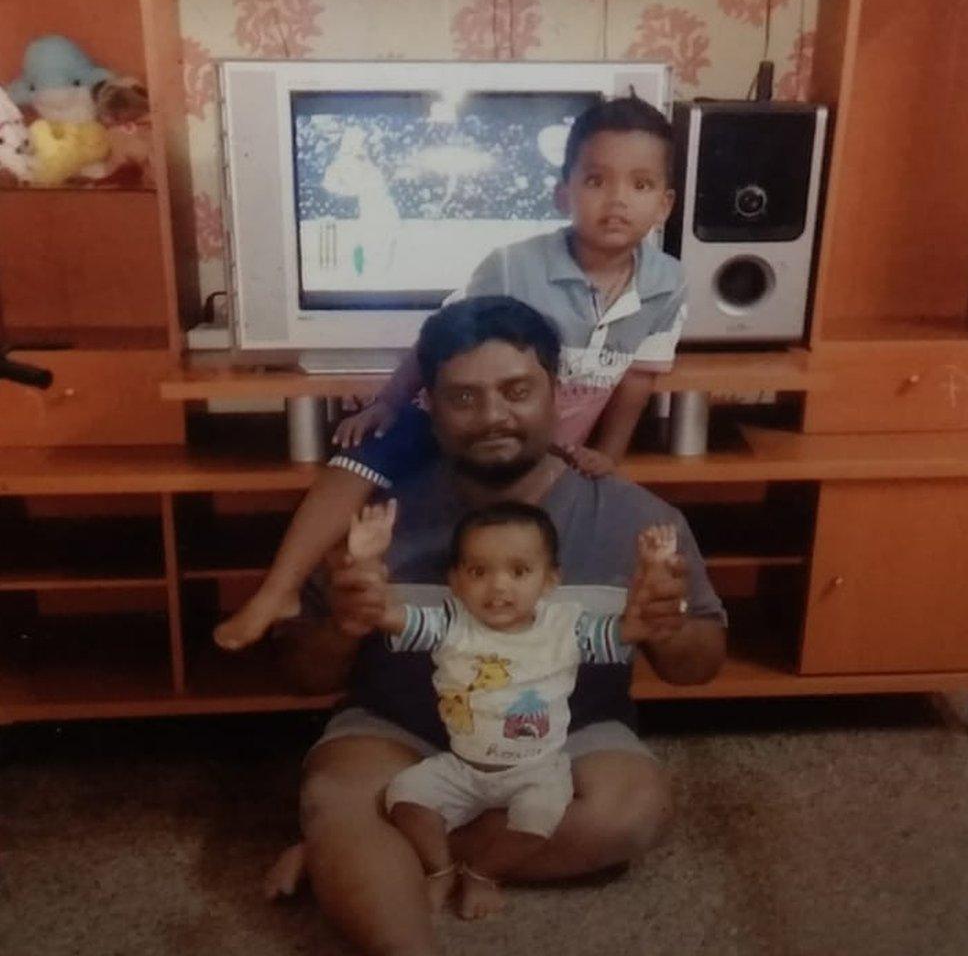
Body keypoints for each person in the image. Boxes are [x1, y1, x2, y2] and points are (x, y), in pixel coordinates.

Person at [267, 296, 726, 956]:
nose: (493, 418)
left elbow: (698, 666)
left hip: (566, 740)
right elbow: (301, 678)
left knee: (629, 813)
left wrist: (665, 627)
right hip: (402, 733)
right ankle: (371, 863)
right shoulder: (373, 521)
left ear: (556, 392)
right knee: (339, 791)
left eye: (517, 391)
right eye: (464, 398)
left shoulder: (636, 520)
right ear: (428, 404)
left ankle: (361, 852)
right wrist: (343, 624)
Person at [214, 93, 685, 652]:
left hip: (544, 434)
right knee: (356, 463)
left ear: (665, 204)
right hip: (455, 414)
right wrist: (390, 401)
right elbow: (439, 342)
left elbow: (637, 378)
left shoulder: (667, 283)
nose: (617, 201)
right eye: (595, 181)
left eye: (640, 185)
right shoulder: (513, 265)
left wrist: (611, 453)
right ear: (564, 193)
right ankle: (279, 591)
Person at [341, 497, 681, 920]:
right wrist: (365, 560)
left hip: (538, 770)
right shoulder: (450, 623)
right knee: (404, 799)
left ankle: (482, 873)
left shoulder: (566, 627)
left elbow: (633, 627)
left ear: (550, 580)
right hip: (461, 765)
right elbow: (384, 613)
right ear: (456, 581)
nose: (499, 587)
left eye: (519, 572)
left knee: (539, 822)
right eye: (479, 572)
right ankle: (440, 867)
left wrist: (653, 572)